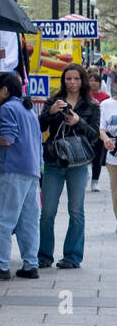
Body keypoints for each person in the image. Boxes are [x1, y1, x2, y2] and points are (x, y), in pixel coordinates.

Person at [0, 73, 42, 279]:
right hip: (31, 171)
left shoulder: (8, 108)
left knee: (0, 218)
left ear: (5, 90)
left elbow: (7, 139)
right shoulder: (28, 109)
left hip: (12, 170)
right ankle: (31, 264)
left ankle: (1, 264)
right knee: (27, 221)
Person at [38, 63, 102, 268]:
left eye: (76, 79)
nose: (72, 82)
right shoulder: (53, 101)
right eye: (68, 79)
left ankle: (72, 256)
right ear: (63, 80)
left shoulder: (91, 106)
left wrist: (78, 122)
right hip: (54, 162)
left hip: (78, 163)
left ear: (82, 80)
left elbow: (94, 136)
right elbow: (39, 126)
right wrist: (50, 113)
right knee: (47, 212)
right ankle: (43, 255)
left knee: (76, 211)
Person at [88, 70, 110, 191]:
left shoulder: (105, 98)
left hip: (100, 131)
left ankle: (95, 180)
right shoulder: (83, 96)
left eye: (95, 81)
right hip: (86, 130)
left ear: (100, 83)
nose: (93, 83)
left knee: (97, 156)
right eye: (90, 80)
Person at [101, 92, 117, 232]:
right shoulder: (106, 105)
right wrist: (106, 139)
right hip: (113, 155)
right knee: (116, 191)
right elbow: (101, 128)